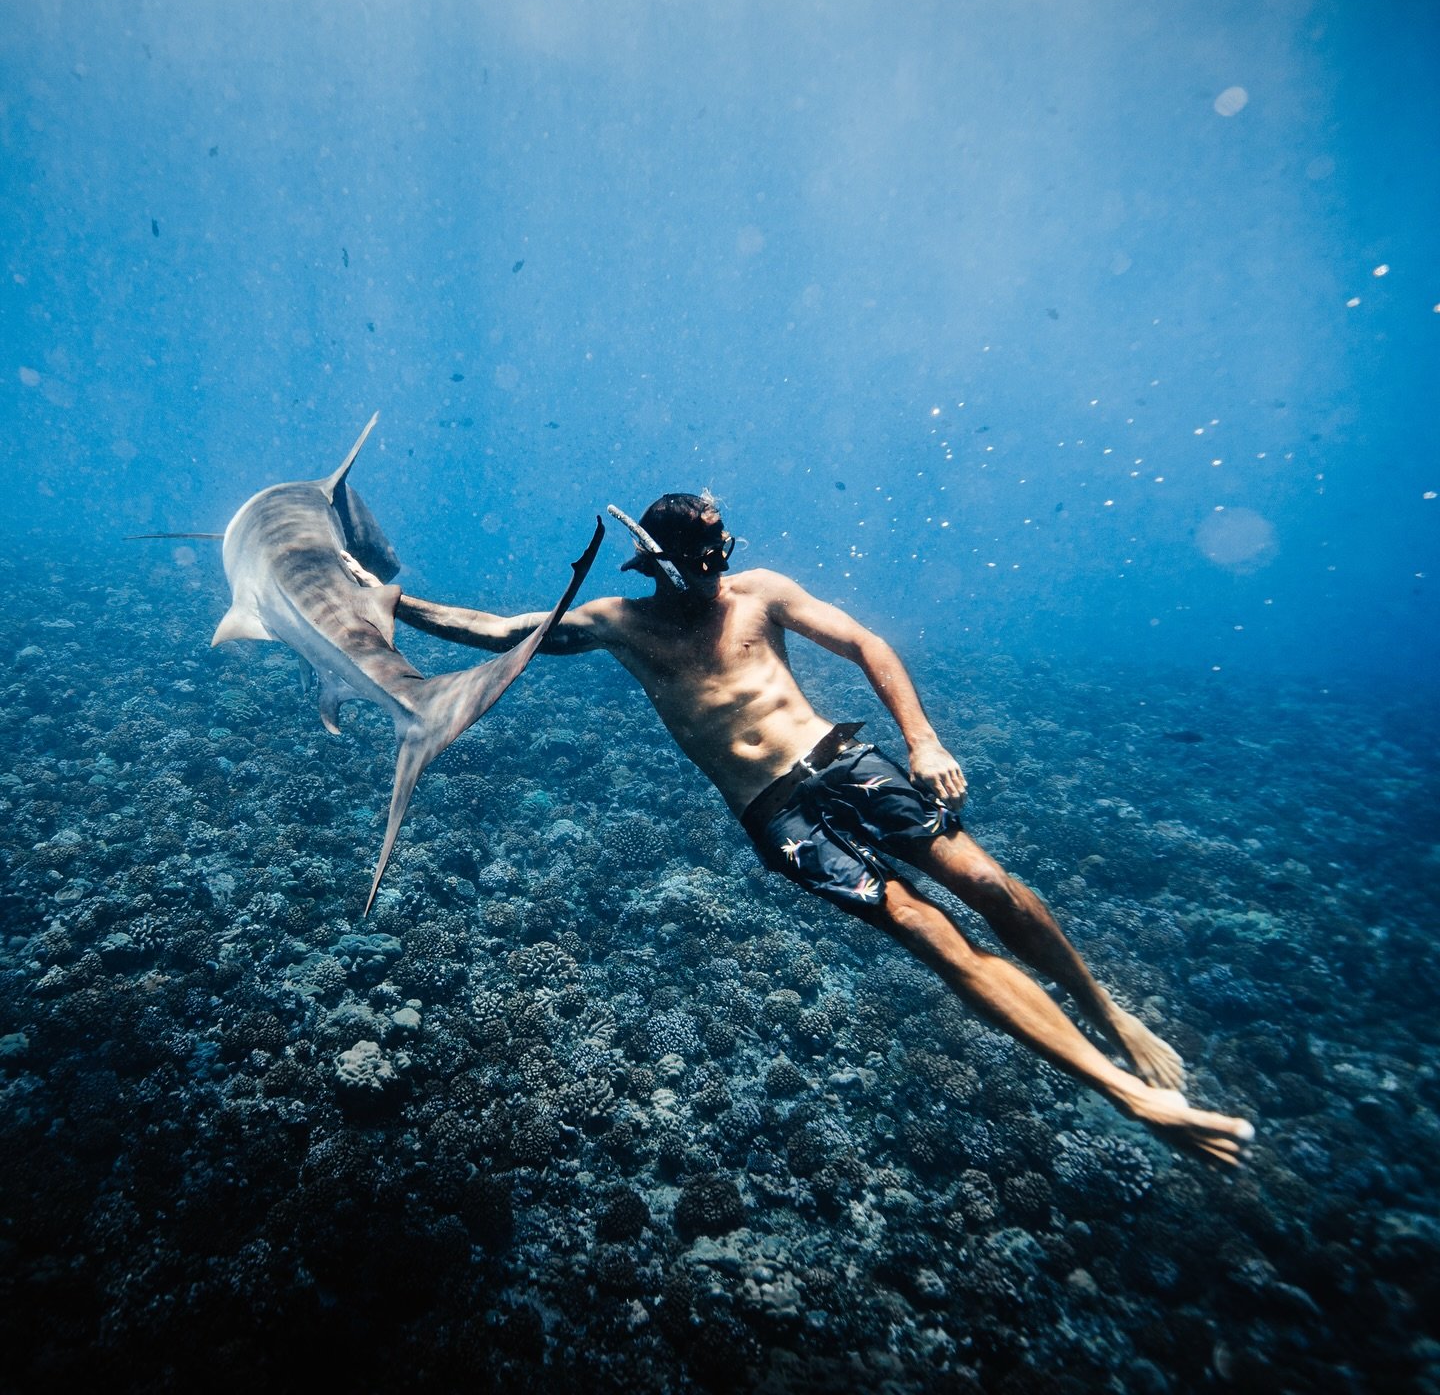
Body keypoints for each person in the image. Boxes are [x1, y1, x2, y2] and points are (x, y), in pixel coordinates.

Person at [345, 493, 1253, 1167]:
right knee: (930, 930)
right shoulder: (617, 623)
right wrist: (393, 602)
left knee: (991, 886)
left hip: (842, 759)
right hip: (773, 810)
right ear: (654, 562)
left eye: (720, 556)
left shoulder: (761, 592)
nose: (712, 575)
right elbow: (502, 628)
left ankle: (1105, 1013)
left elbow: (865, 645)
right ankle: (1130, 1096)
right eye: (694, 564)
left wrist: (923, 737)